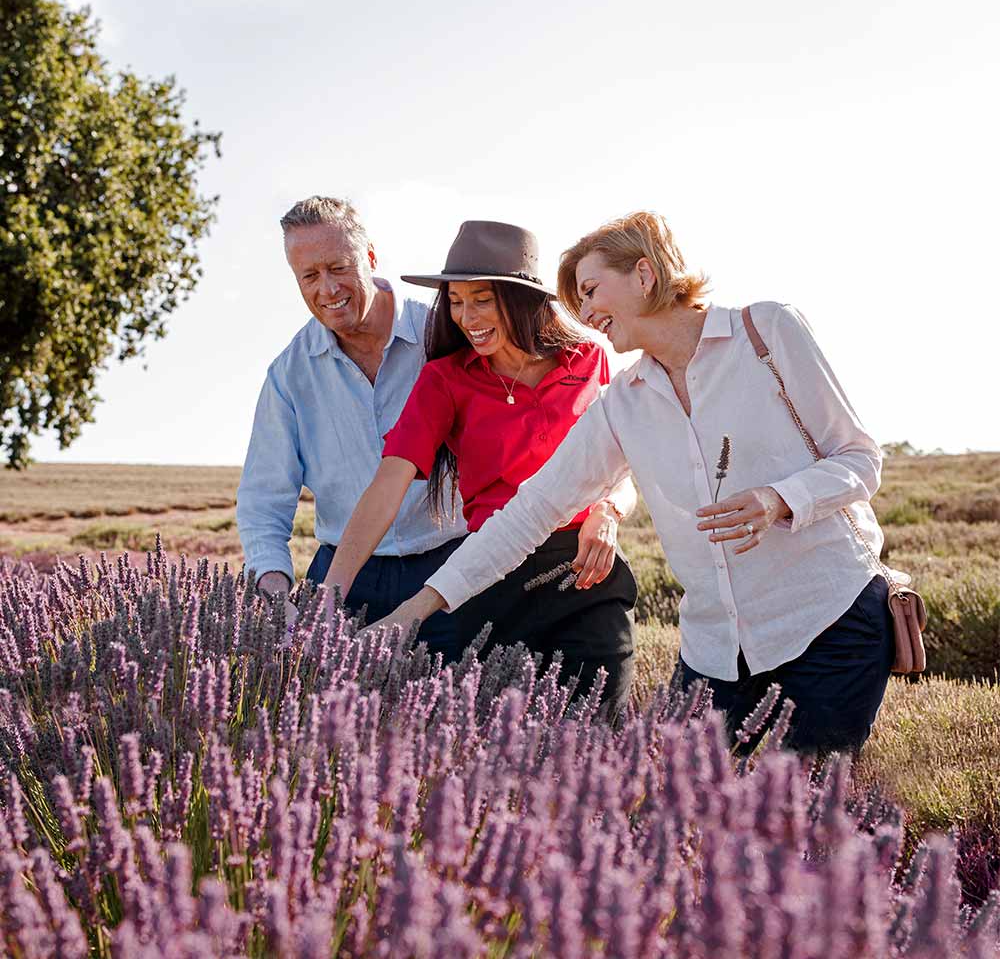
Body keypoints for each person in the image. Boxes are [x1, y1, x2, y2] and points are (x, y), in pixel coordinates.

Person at [367, 211, 895, 755]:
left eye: (592, 291)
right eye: (579, 300)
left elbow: (860, 458)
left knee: (800, 813)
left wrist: (778, 499)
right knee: (664, 802)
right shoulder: (623, 403)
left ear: (644, 274)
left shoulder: (767, 332)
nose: (587, 313)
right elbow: (530, 513)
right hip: (715, 648)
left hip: (830, 622)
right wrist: (417, 608)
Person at [322, 220, 639, 715]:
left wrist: (608, 511)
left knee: (602, 745)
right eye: (455, 301)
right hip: (491, 580)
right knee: (504, 764)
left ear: (521, 299)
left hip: (585, 575)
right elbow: (388, 484)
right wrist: (330, 594)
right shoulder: (443, 381)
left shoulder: (589, 361)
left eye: (482, 300)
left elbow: (620, 470)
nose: (466, 317)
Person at [236, 196, 466, 660]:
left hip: (452, 565)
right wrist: (277, 593)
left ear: (371, 258)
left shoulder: (442, 335)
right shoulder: (289, 373)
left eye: (338, 267)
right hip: (343, 578)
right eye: (309, 276)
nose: (327, 289)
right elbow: (263, 501)